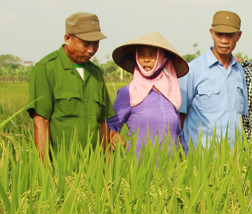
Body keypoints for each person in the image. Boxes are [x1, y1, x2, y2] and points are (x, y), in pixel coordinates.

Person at [27, 12, 119, 160]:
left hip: (94, 167)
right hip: (62, 166)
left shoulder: (96, 74)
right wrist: (43, 171)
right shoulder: (45, 69)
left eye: (96, 44)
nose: (91, 50)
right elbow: (41, 122)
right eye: (85, 44)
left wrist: (108, 169)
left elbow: (102, 123)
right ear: (67, 38)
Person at [107, 32, 189, 159]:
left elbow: (177, 136)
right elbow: (110, 125)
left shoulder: (172, 95)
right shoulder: (128, 93)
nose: (146, 59)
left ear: (162, 59)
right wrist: (113, 134)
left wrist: (188, 163)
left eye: (152, 55)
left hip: (172, 171)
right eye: (142, 54)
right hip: (139, 170)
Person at [179, 11, 248, 151]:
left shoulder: (239, 72)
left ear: (238, 36)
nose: (224, 40)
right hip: (201, 159)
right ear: (211, 33)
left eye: (229, 35)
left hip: (234, 160)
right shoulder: (192, 70)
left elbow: (241, 118)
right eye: (219, 34)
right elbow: (180, 116)